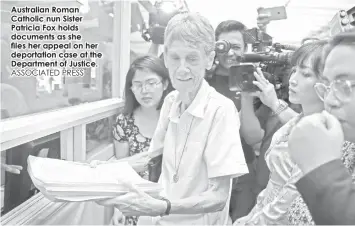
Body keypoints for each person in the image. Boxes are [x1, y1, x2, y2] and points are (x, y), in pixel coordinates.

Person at [96, 12, 248, 225]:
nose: (182, 68)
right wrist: (102, 172)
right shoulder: (171, 101)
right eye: (175, 58)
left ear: (210, 59)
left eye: (192, 58)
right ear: (165, 57)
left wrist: (162, 207)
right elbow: (151, 158)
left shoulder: (221, 110)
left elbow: (218, 197)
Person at [234, 40, 328, 225]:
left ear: (326, 83)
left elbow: (289, 199)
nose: (293, 79)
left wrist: (253, 222)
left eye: (306, 74)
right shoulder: (299, 120)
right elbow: (272, 189)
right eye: (295, 70)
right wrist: (253, 214)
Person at [94, 55, 173, 225]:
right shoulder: (124, 122)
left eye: (151, 83)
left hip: (171, 204)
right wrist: (118, 209)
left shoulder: (176, 119)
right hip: (136, 205)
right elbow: (123, 171)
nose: (145, 90)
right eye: (137, 84)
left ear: (165, 84)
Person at [288, 31, 355, 225]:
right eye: (327, 86)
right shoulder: (341, 143)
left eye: (344, 85)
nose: (330, 101)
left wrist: (322, 169)